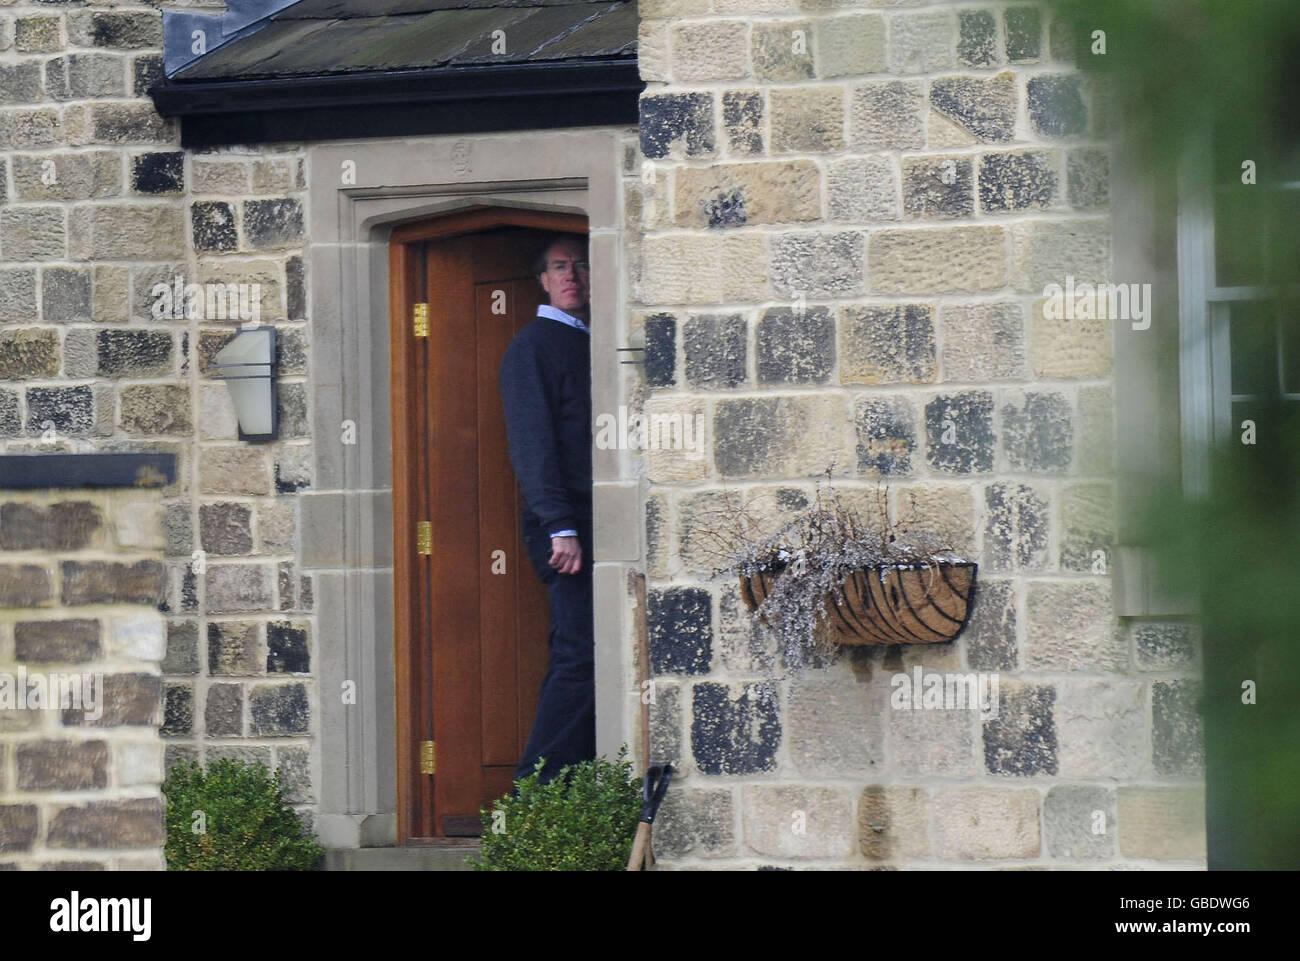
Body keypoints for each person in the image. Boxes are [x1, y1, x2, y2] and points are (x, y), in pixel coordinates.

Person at [498, 232, 595, 785]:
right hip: (565, 533)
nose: (572, 277)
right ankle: (537, 793)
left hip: (592, 521)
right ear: (542, 279)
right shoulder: (532, 347)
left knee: (590, 653)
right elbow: (533, 448)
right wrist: (560, 527)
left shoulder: (590, 340)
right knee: (580, 655)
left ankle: (572, 789)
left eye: (580, 265)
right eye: (559, 267)